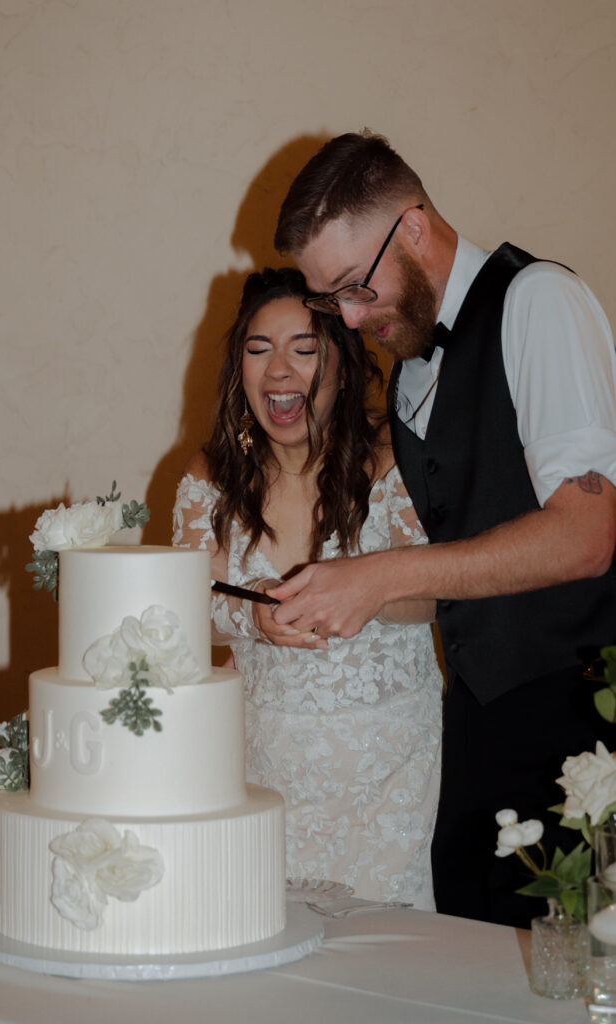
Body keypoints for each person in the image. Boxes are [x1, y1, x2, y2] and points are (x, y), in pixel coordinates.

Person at [269, 130, 616, 928]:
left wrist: (382, 574)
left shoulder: (539, 302)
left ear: (415, 228)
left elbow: (586, 535)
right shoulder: (414, 356)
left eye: (356, 288)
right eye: (332, 300)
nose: (350, 320)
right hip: (480, 714)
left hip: (576, 717)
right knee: (469, 941)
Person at [172, 267, 443, 909]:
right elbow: (179, 611)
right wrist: (252, 620)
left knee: (384, 962)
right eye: (258, 349)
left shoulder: (392, 454)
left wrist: (364, 593)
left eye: (305, 348)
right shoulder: (209, 472)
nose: (279, 371)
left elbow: (434, 594)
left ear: (344, 367)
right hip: (261, 759)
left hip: (388, 761)